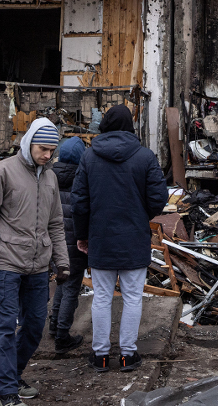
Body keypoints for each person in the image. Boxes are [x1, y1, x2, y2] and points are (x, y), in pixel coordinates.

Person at [0, 118, 70, 406]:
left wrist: (61, 262)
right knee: (4, 326)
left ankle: (12, 375)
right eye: (43, 149)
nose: (47, 155)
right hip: (5, 265)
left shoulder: (50, 177)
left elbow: (56, 224)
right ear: (28, 143)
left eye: (52, 150)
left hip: (38, 266)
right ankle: (7, 393)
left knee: (36, 324)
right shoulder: (3, 171)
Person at [72, 105, 168, 373]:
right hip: (134, 238)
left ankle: (100, 356)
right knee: (133, 298)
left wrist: (82, 234)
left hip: (100, 238)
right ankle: (128, 355)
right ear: (130, 127)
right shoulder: (145, 157)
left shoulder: (89, 158)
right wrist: (140, 215)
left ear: (104, 125)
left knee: (101, 297)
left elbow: (80, 202)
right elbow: (159, 199)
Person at [48, 136, 87, 354]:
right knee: (72, 287)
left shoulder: (49, 177)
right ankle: (63, 335)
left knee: (61, 282)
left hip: (55, 243)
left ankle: (54, 324)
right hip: (75, 243)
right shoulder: (81, 180)